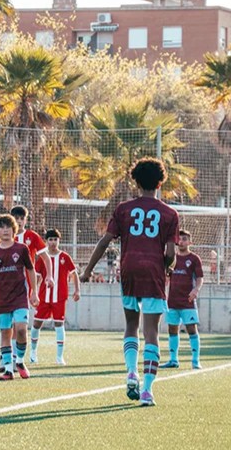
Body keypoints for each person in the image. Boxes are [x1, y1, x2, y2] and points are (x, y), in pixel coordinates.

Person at [79, 157, 180, 407]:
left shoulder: (123, 209)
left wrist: (88, 270)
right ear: (160, 181)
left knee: (131, 325)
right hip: (153, 272)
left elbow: (105, 241)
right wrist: (166, 268)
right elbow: (170, 253)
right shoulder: (170, 213)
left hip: (129, 271)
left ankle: (131, 372)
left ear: (135, 180)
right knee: (152, 332)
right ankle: (146, 390)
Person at [0, 213, 40, 380]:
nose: (5, 230)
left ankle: (20, 361)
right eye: (2, 227)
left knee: (21, 329)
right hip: (2, 298)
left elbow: (30, 270)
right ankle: (8, 370)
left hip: (20, 297)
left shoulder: (21, 249)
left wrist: (34, 292)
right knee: (5, 333)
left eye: (8, 227)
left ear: (14, 230)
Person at [0, 205, 47, 373]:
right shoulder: (4, 238)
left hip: (23, 286)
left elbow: (44, 257)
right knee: (7, 328)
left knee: (20, 326)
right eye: (15, 218)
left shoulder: (31, 237)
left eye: (21, 218)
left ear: (25, 220)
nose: (18, 221)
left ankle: (17, 359)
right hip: (5, 286)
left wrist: (46, 279)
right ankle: (6, 359)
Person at [30, 228, 79, 365]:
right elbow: (37, 277)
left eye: (55, 239)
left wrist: (77, 290)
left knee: (59, 324)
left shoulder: (65, 257)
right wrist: (33, 293)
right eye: (50, 239)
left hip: (60, 297)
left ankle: (59, 357)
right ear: (46, 241)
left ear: (59, 240)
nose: (53, 242)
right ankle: (33, 353)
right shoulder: (42, 258)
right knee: (36, 324)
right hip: (43, 297)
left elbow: (74, 273)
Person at [165, 229, 204, 370]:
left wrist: (196, 289)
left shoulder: (194, 259)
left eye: (184, 239)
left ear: (190, 242)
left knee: (191, 329)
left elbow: (200, 277)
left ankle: (195, 360)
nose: (181, 242)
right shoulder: (171, 257)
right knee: (172, 329)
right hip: (172, 301)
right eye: (179, 239)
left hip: (187, 301)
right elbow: (167, 275)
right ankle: (173, 360)